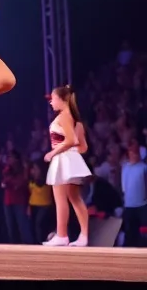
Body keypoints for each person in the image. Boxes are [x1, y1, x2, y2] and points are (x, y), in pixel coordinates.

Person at [43, 84, 91, 247]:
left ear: (61, 99)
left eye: (53, 98)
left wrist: (53, 153)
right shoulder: (76, 121)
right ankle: (83, 236)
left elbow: (72, 141)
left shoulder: (64, 116)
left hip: (63, 159)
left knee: (61, 199)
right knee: (75, 198)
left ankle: (62, 235)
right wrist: (71, 152)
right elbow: (82, 146)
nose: (51, 102)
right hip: (70, 158)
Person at [0, 148, 32, 244]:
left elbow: (23, 182)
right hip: (8, 201)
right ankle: (13, 244)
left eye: (11, 157)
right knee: (10, 226)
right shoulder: (7, 168)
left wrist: (9, 181)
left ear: (16, 158)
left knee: (22, 225)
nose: (8, 159)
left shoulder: (22, 168)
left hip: (19, 201)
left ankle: (27, 244)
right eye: (8, 157)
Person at [121, 143, 146, 248]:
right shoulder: (125, 167)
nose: (134, 155)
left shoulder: (144, 167)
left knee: (144, 229)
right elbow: (124, 184)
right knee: (130, 230)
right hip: (129, 204)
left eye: (136, 153)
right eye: (132, 152)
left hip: (142, 204)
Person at [27, 161, 52, 244]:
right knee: (32, 226)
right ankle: (35, 243)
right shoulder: (31, 179)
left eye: (35, 169)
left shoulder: (46, 180)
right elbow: (30, 193)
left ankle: (41, 242)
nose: (33, 170)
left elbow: (39, 187)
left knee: (39, 224)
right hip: (33, 204)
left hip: (45, 205)